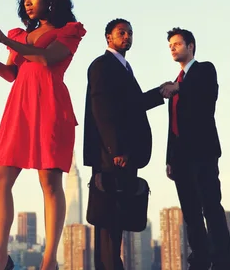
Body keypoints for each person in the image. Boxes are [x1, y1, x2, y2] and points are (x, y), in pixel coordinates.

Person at [0, 0, 86, 270]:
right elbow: (12, 74)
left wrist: (5, 40)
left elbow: (47, 59)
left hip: (50, 106)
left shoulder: (69, 30)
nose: (29, 2)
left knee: (49, 181)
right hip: (19, 107)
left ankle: (49, 262)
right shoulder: (20, 35)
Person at [83, 18, 164, 270]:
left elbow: (132, 105)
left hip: (124, 154)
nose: (127, 36)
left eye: (130, 33)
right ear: (109, 37)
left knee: (115, 221)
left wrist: (160, 92)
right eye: (121, 33)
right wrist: (116, 149)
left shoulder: (124, 67)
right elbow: (102, 109)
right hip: (111, 156)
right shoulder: (102, 65)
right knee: (108, 222)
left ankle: (109, 265)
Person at [160, 28, 230, 270]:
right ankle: (199, 258)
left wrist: (178, 89)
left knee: (210, 205)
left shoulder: (204, 70)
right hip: (180, 158)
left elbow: (207, 95)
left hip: (202, 153)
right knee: (190, 211)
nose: (173, 48)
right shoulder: (176, 83)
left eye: (177, 43)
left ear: (191, 46)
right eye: (170, 45)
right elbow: (172, 126)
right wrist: (169, 159)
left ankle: (222, 261)